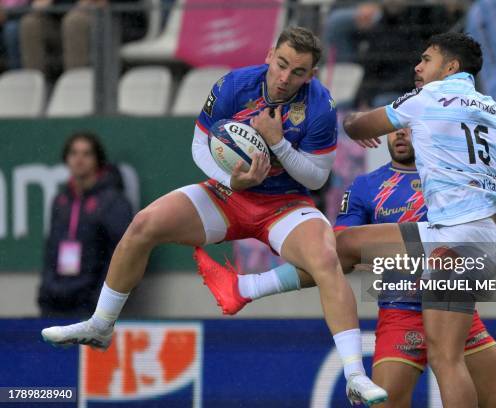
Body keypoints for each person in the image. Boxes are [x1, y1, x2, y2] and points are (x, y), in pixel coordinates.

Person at [41, 26, 388, 406]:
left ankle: (355, 374)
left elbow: (317, 177)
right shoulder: (233, 85)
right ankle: (102, 324)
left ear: (312, 74)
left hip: (284, 205)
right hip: (227, 194)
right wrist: (232, 179)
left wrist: (278, 144)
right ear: (271, 54)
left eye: (299, 72)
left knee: (326, 260)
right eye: (282, 65)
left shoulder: (320, 105)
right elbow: (199, 147)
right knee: (143, 224)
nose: (286, 78)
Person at [196, 128, 496, 407]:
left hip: (454, 309)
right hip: (401, 311)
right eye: (396, 127)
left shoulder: (451, 180)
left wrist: (494, 240)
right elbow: (338, 249)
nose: (401, 133)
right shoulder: (365, 188)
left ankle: (248, 287)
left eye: (410, 127)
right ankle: (246, 288)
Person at [338, 32, 496, 408]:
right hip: (470, 238)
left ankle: (256, 285)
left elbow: (360, 128)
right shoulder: (492, 108)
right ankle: (256, 285)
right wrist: (478, 172)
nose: (418, 66)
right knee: (344, 244)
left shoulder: (426, 98)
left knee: (446, 359)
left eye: (426, 59)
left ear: (450, 67)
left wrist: (351, 122)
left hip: (455, 240)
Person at [38, 131, 132, 317]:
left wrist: (100, 300)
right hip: (55, 301)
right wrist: (45, 291)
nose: (79, 159)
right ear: (66, 159)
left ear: (98, 159)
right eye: (74, 153)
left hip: (89, 303)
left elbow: (123, 253)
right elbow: (51, 250)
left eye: (86, 153)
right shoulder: (61, 200)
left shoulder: (112, 201)